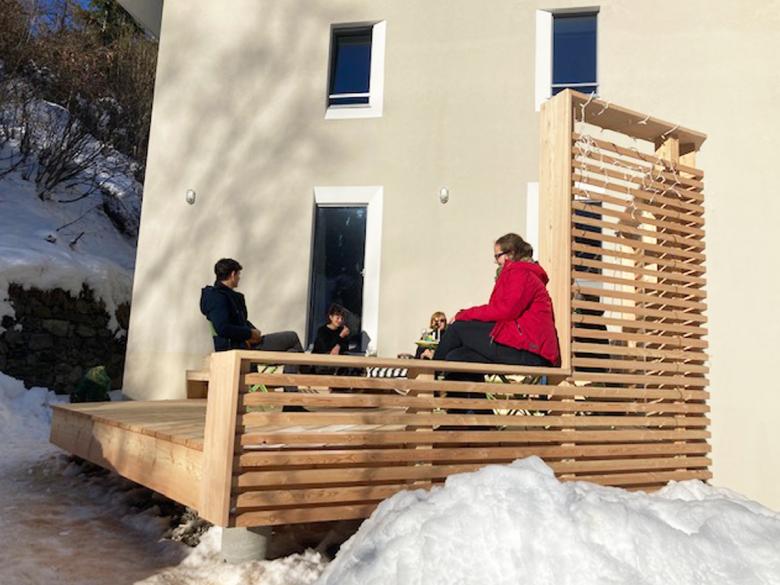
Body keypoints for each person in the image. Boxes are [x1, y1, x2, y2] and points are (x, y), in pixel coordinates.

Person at [433, 233, 560, 368]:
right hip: (519, 344)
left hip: (531, 350)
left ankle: (428, 374)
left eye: (497, 256)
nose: (496, 262)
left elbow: (505, 311)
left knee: (458, 328)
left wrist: (464, 315)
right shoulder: (518, 273)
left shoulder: (521, 273)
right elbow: (497, 311)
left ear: (510, 254)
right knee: (457, 357)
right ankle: (443, 378)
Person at [200, 258, 304, 354]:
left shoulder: (229, 296)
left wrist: (254, 331)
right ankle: (309, 367)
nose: (239, 278)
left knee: (293, 352)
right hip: (238, 347)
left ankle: (301, 368)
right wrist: (250, 334)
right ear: (232, 274)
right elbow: (222, 328)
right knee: (292, 337)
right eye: (238, 275)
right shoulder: (217, 297)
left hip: (245, 343)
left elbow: (240, 321)